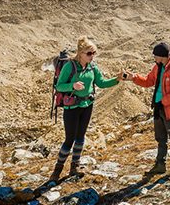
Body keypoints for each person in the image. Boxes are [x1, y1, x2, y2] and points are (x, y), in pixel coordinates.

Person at [51, 37, 119, 181]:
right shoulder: (69, 66)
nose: (92, 56)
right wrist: (73, 86)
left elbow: (101, 83)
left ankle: (74, 167)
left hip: (87, 105)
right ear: (80, 53)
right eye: (89, 53)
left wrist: (118, 79)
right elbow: (59, 86)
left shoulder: (92, 67)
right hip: (72, 107)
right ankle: (57, 171)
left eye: (94, 53)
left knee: (81, 137)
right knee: (69, 139)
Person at [122, 41, 170, 176]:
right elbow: (148, 81)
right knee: (161, 138)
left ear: (162, 56)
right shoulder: (158, 67)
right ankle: (160, 165)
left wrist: (163, 102)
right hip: (159, 107)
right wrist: (133, 77)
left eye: (155, 56)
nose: (154, 59)